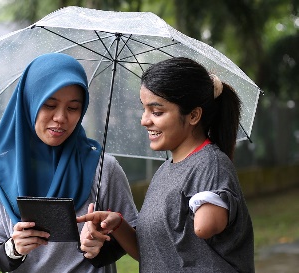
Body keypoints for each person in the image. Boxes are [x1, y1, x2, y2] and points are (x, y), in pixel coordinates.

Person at [77, 57, 255, 272]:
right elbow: (150, 253)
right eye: (144, 109)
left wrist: (203, 200)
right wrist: (118, 225)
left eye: (157, 112)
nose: (145, 120)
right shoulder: (165, 170)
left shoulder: (211, 164)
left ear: (194, 115)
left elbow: (205, 227)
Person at [0, 52, 138, 273]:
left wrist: (99, 247)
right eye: (49, 105)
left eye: (73, 108)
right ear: (29, 103)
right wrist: (15, 248)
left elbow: (133, 239)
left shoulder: (102, 168)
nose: (61, 117)